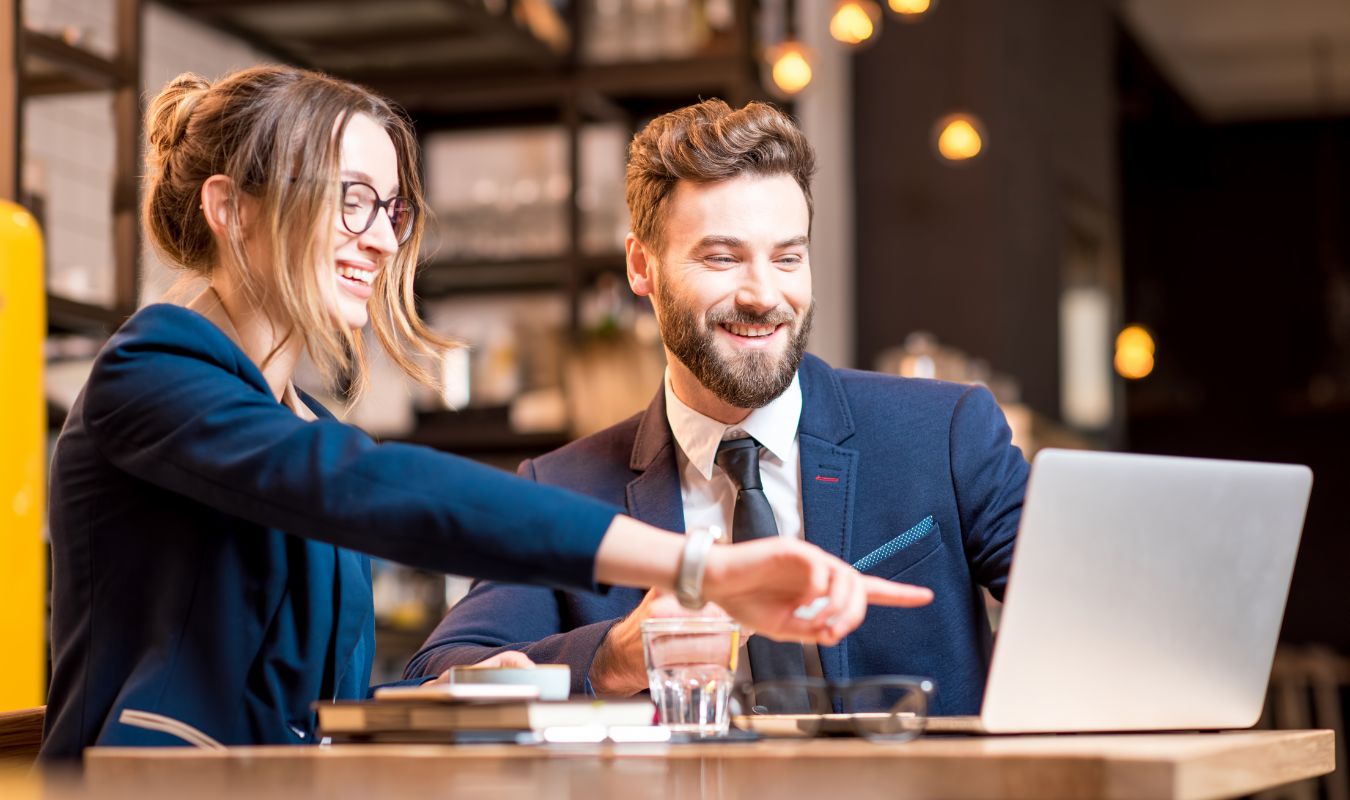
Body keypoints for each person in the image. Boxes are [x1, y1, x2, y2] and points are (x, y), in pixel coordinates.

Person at [40, 68, 933, 760]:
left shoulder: (298, 419)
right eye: (350, 198)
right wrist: (703, 570)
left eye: (390, 209)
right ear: (231, 207)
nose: (385, 239)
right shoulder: (150, 372)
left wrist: (438, 702)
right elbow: (373, 488)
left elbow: (300, 710)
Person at [404, 100, 1027, 716]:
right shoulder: (563, 486)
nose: (763, 295)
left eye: (788, 257)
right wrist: (617, 655)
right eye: (722, 257)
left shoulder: (945, 433)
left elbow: (1088, 606)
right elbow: (433, 675)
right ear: (641, 266)